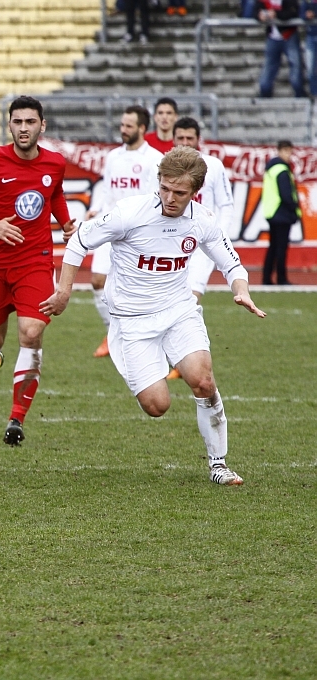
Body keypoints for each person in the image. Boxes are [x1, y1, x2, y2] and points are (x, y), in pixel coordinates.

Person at [41, 146, 266, 486]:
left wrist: (242, 290)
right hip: (132, 322)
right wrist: (63, 292)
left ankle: (219, 464)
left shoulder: (202, 220)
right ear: (158, 181)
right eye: (164, 188)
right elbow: (79, 242)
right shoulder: (130, 212)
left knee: (203, 381)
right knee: (157, 406)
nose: (170, 198)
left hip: (178, 312)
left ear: (194, 192)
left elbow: (231, 262)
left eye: (179, 192)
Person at [0, 96, 77, 445]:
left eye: (30, 122)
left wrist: (66, 221)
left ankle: (16, 418)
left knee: (31, 333)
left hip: (35, 262)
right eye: (17, 122)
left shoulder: (55, 163)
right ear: (9, 125)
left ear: (42, 125)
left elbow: (53, 193)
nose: (24, 128)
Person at [85, 105, 163, 358]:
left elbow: (155, 197)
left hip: (137, 232)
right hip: (110, 226)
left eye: (128, 126)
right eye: (121, 125)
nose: (123, 130)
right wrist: (95, 209)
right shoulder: (113, 157)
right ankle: (112, 335)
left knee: (135, 288)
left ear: (142, 128)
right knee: (98, 281)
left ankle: (142, 337)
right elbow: (106, 190)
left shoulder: (154, 159)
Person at [164, 116, 237, 381]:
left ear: (198, 140)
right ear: (173, 140)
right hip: (170, 247)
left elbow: (226, 206)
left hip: (200, 247)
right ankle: (176, 355)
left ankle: (184, 359)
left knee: (190, 298)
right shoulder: (165, 167)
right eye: (180, 138)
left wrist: (219, 237)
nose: (185, 143)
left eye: (189, 138)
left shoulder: (213, 167)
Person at [261, 140, 300, 285]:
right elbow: (286, 193)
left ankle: (266, 278)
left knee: (273, 247)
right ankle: (281, 278)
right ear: (281, 151)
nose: (289, 155)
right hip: (281, 212)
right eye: (287, 151)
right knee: (281, 248)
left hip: (272, 212)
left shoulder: (272, 168)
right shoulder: (282, 169)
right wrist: (294, 209)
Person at [257, 0, 305, 98]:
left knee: (295, 64)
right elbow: (254, 11)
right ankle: (265, 93)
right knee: (269, 67)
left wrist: (276, 14)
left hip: (289, 36)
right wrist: (259, 15)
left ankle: (299, 93)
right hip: (272, 37)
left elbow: (293, 12)